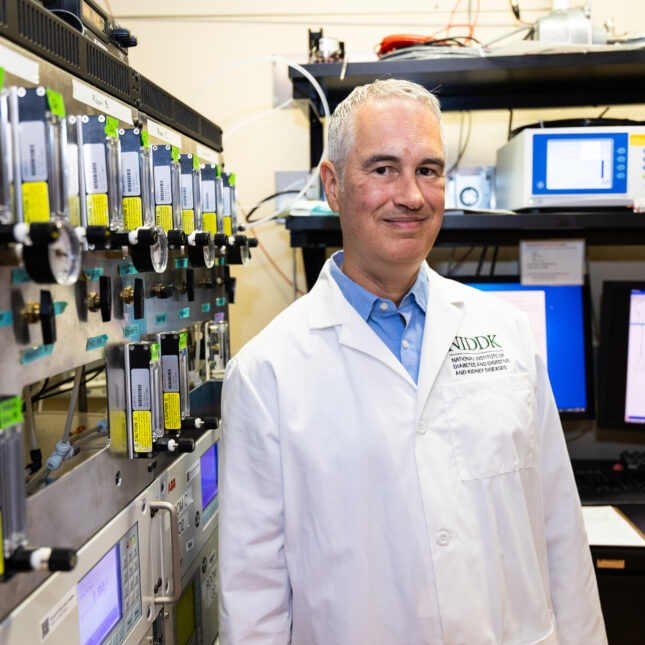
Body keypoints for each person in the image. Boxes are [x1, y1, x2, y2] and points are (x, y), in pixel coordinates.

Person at [218, 79, 606, 645]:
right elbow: (254, 596)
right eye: (382, 170)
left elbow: (560, 535)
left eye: (428, 169)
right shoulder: (266, 374)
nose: (412, 195)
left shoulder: (507, 334)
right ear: (332, 185)